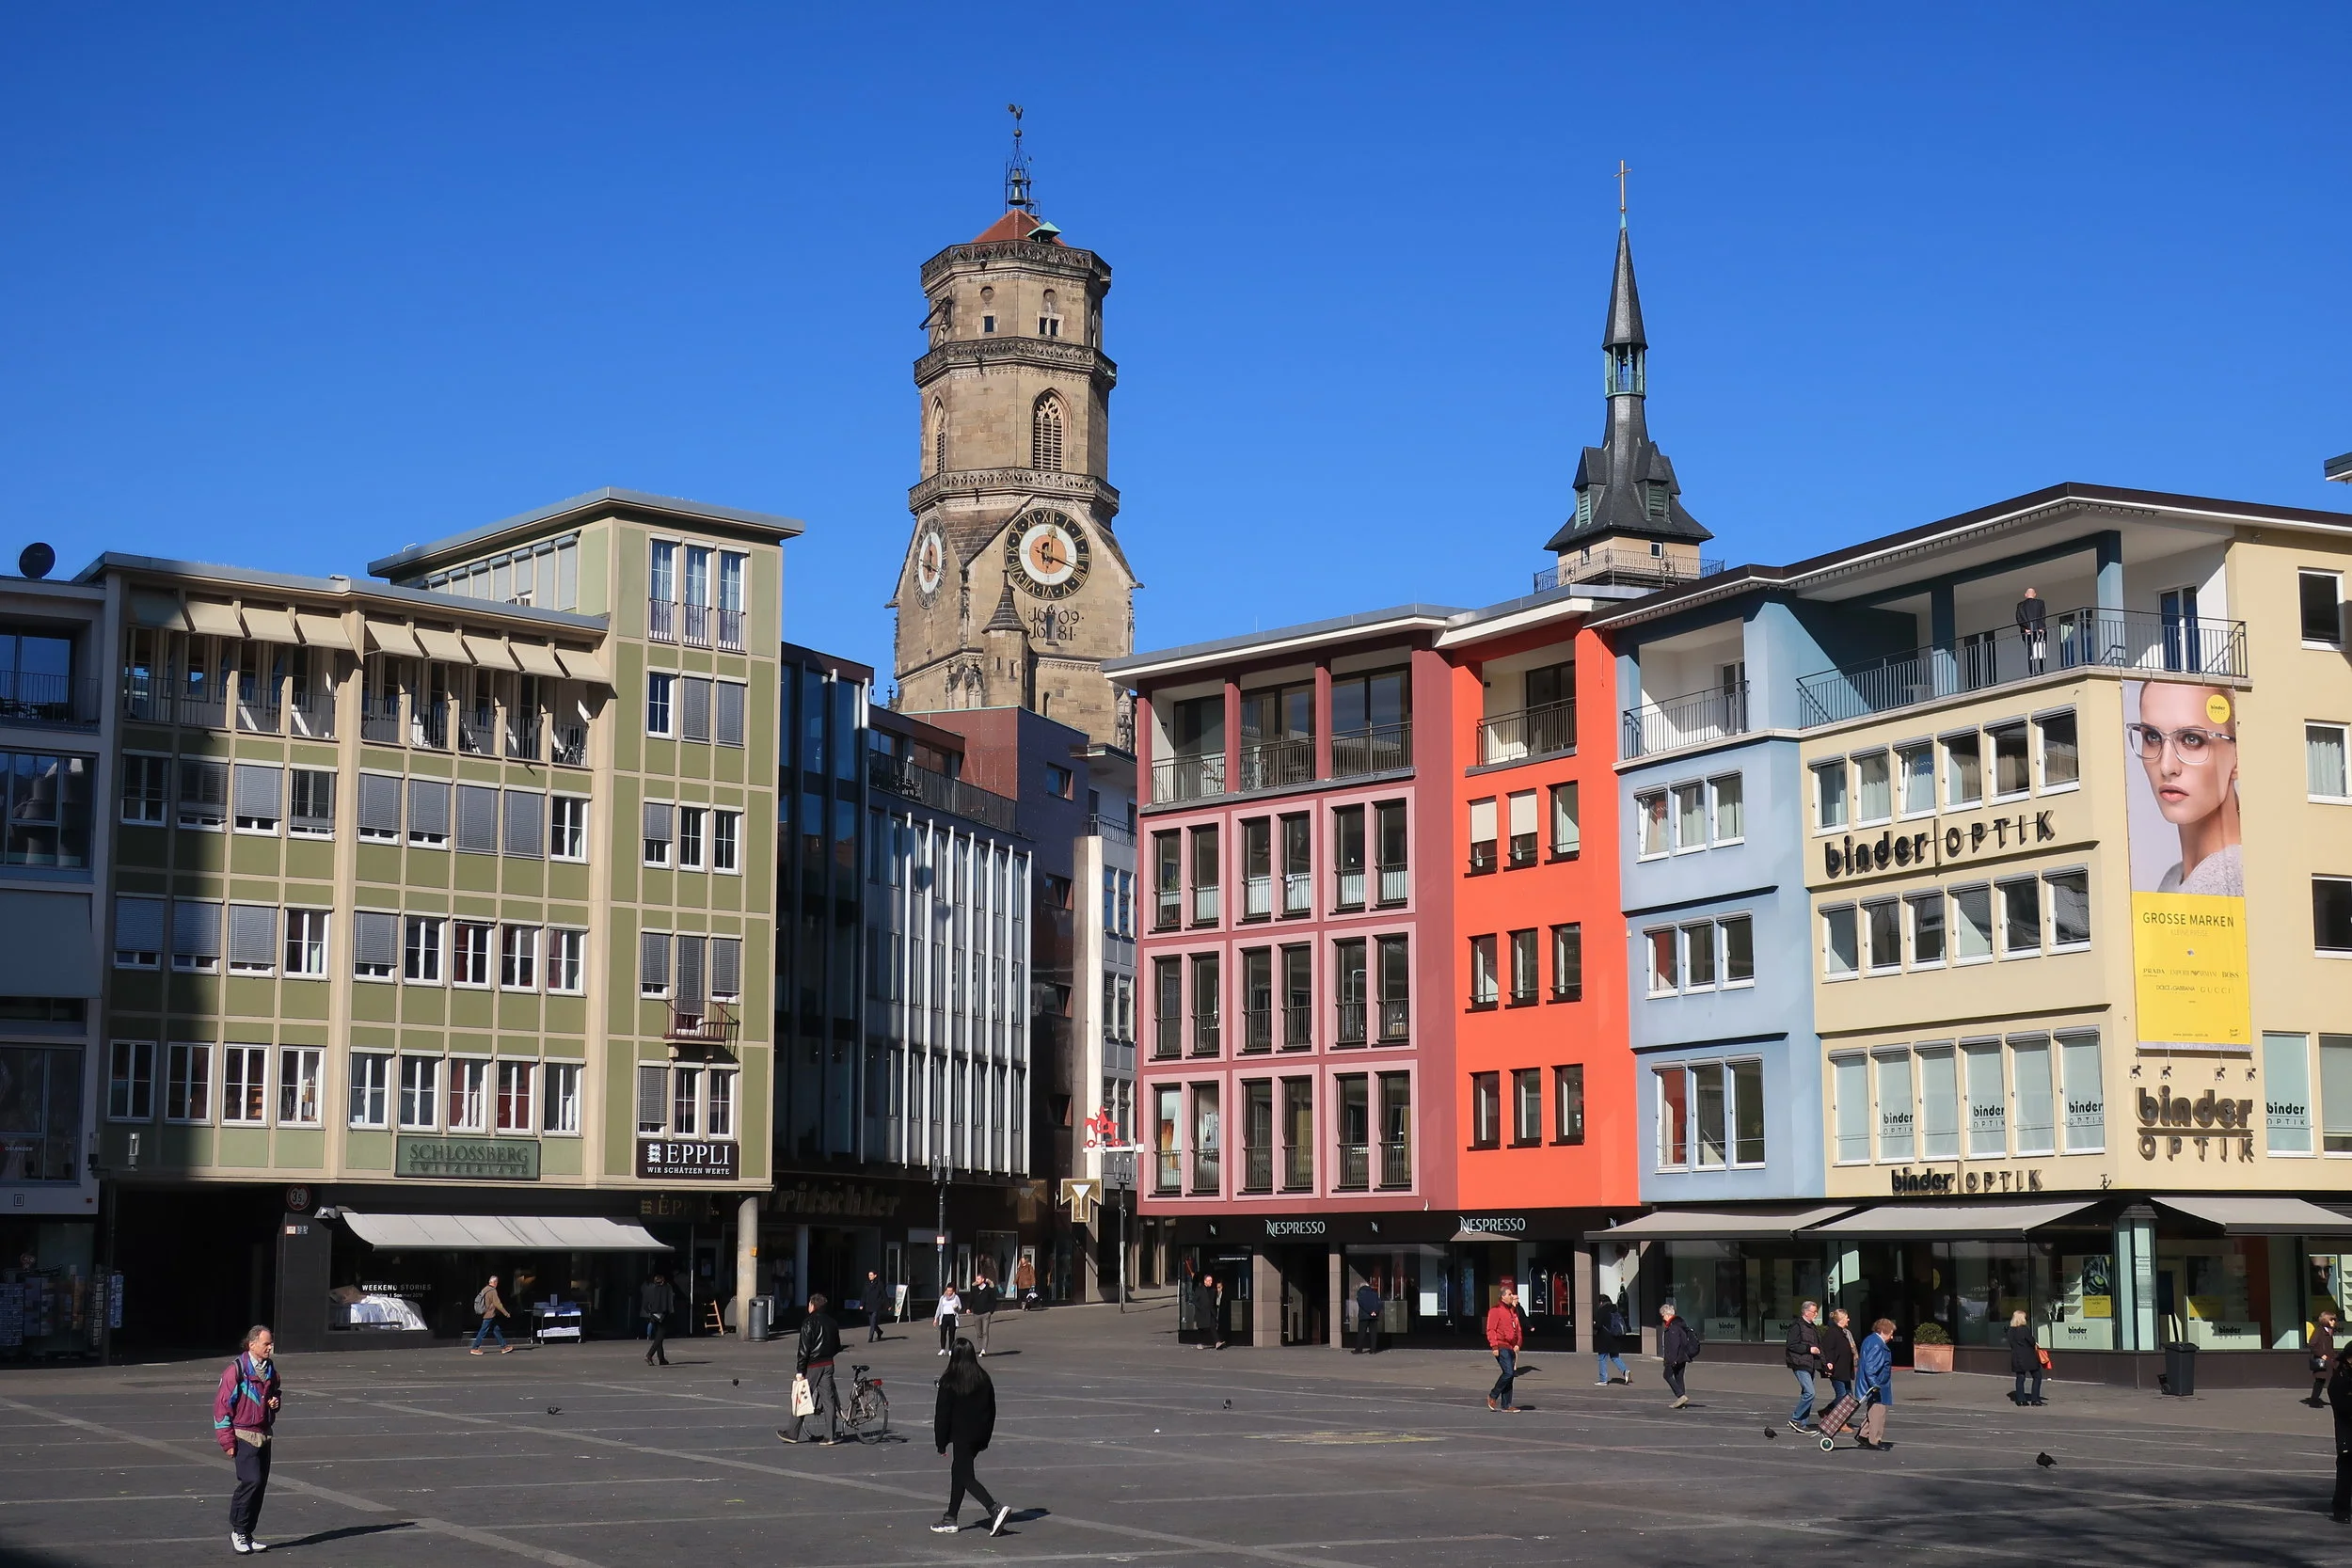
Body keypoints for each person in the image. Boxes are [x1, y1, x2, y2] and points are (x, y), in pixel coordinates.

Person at [2130, 683, 2243, 896]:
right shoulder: (2173, 878)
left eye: (2192, 739)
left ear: (2239, 755)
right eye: (2152, 737)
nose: (2166, 767)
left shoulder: (2236, 878)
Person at [932, 1338, 1012, 1536]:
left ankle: (994, 1508)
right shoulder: (983, 1378)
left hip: (961, 1435)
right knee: (958, 1470)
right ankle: (950, 1517)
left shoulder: (950, 1380)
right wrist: (986, 1438)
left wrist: (941, 1443)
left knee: (964, 1475)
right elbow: (991, 1410)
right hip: (979, 1434)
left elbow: (942, 1414)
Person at [214, 1324, 281, 1555]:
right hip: (243, 1434)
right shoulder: (236, 1370)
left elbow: (275, 1392)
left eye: (271, 1343)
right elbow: (222, 1408)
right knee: (251, 1481)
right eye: (266, 1343)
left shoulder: (270, 1369)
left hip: (264, 1434)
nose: (270, 1347)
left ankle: (248, 1534)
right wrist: (227, 1442)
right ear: (252, 1344)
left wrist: (274, 1403)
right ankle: (238, 1531)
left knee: (260, 1486)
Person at [777, 1292, 844, 1445]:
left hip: (813, 1365)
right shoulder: (832, 1322)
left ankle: (792, 1433)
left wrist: (800, 1370)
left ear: (813, 1305)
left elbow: (803, 1349)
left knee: (801, 1397)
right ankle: (830, 1436)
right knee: (828, 1400)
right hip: (828, 1363)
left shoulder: (809, 1322)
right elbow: (837, 1345)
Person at [1855, 1318, 1897, 1450]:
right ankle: (1875, 1440)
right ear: (1884, 1331)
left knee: (1873, 1410)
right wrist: (1874, 1385)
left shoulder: (1870, 1340)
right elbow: (1871, 1368)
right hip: (1877, 1384)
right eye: (1891, 1333)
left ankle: (1863, 1434)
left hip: (1872, 1383)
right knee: (1878, 1412)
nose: (1892, 1337)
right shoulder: (1878, 1345)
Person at [1484, 1283, 1525, 1413]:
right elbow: (1491, 1329)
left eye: (1512, 1294)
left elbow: (1517, 1329)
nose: (1512, 1296)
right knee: (1508, 1372)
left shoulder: (1512, 1312)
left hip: (1511, 1347)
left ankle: (1506, 1405)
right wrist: (1494, 1346)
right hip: (1501, 1346)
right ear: (1503, 1297)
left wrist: (1518, 1343)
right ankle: (1493, 1395)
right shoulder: (1496, 1310)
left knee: (1510, 1376)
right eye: (1509, 1294)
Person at [1785, 1299, 1824, 1433]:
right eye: (1814, 1311)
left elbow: (1819, 1346)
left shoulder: (1812, 1327)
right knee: (1810, 1393)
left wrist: (1824, 1363)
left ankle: (1802, 1424)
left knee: (1806, 1393)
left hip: (1810, 1363)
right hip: (1800, 1363)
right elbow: (1791, 1345)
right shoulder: (1797, 1326)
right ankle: (1795, 1419)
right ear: (1806, 1312)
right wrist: (1809, 1349)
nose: (1816, 1314)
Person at [2328, 1341, 2352, 1524]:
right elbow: (2342, 1407)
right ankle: (2341, 1509)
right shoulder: (2340, 1378)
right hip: (2347, 1432)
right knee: (2346, 1471)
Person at [1659, 1302, 1698, 1410]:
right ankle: (1682, 1402)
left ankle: (1680, 1396)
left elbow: (1674, 1345)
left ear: (1667, 1315)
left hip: (1675, 1357)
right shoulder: (1680, 1324)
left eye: (1663, 1315)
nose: (1663, 1318)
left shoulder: (1673, 1327)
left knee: (1667, 1375)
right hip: (1683, 1356)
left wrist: (1671, 1360)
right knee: (1679, 1377)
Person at [2006, 1308, 2046, 1405]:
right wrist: (2034, 1343)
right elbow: (2031, 1341)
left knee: (2020, 1378)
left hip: (2016, 1357)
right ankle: (2035, 1399)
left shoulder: (2010, 1331)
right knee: (2037, 1376)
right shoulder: (2024, 1329)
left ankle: (2020, 1400)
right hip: (2028, 1357)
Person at [1821, 1307, 1858, 1405]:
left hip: (1845, 1371)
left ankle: (1836, 1414)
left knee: (1849, 1397)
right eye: (1846, 1318)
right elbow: (1828, 1350)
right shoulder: (1832, 1332)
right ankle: (1829, 1411)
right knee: (1842, 1396)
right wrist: (1829, 1363)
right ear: (1841, 1320)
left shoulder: (1844, 1332)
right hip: (1837, 1371)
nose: (1848, 1319)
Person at [469, 1275, 513, 1354]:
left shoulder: (485, 1289)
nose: (497, 1284)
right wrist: (506, 1313)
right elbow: (498, 1304)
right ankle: (474, 1348)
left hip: (488, 1314)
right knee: (483, 1331)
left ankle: (504, 1347)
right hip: (489, 1314)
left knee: (496, 1330)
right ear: (495, 1282)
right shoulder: (492, 1291)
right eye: (497, 1282)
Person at [640, 1272, 675, 1367]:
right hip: (663, 1314)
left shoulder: (651, 1289)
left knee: (658, 1337)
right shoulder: (667, 1288)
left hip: (653, 1315)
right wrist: (670, 1312)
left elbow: (645, 1304)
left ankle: (661, 1358)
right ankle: (649, 1355)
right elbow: (669, 1302)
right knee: (660, 1336)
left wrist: (650, 1312)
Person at [1595, 1294, 1630, 1386]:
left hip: (1604, 1338)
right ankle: (1625, 1371)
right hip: (1615, 1337)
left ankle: (1603, 1380)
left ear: (1601, 1302)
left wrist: (1594, 1325)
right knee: (1615, 1357)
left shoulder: (1602, 1310)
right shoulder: (1615, 1309)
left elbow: (1598, 1325)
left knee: (1602, 1358)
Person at [2310, 1309, 2340, 1408]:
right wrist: (2321, 1354)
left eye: (2334, 1320)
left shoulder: (2329, 1331)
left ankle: (2335, 1400)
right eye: (2331, 1320)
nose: (2333, 1322)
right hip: (2323, 1361)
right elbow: (2312, 1345)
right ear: (2325, 1320)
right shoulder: (2319, 1331)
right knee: (2320, 1381)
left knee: (2332, 1380)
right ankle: (2314, 1401)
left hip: (2330, 1360)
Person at [967, 1269, 1000, 1355]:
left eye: (978, 1279)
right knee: (979, 1333)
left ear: (983, 1279)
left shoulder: (988, 1289)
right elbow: (971, 1299)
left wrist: (991, 1311)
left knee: (985, 1332)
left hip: (986, 1313)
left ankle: (984, 1350)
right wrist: (969, 1308)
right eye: (976, 1279)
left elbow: (993, 1300)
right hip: (976, 1313)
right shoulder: (974, 1289)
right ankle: (981, 1348)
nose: (976, 1281)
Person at [2016, 587, 2048, 674]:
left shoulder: (2020, 605)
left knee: (2030, 652)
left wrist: (2025, 628)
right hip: (2039, 630)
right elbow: (2042, 616)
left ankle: (2032, 671)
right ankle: (2041, 670)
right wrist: (2041, 628)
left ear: (2025, 595)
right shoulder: (2040, 603)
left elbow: (2019, 618)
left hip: (2028, 632)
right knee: (2041, 649)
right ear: (2034, 594)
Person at [1195, 1273, 1227, 1350]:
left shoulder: (1213, 1290)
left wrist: (1214, 1312)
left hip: (1210, 1312)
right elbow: (1194, 1300)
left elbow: (1214, 1302)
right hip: (1202, 1313)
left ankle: (1217, 1342)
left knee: (1212, 1327)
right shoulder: (1199, 1290)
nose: (1210, 1282)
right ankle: (1199, 1342)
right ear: (1205, 1281)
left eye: (1211, 1281)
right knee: (1202, 1329)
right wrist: (1200, 1308)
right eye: (1209, 1281)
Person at [1354, 1280, 1383, 1354]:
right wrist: (1375, 1311)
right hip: (1374, 1316)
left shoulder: (1360, 1293)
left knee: (1361, 1333)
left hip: (1364, 1316)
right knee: (1373, 1334)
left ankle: (1358, 1349)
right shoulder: (1374, 1293)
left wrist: (1370, 1311)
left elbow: (1362, 1304)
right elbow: (1379, 1303)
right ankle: (1373, 1350)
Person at [935, 1282, 962, 1356]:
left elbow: (960, 1307)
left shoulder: (956, 1297)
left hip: (952, 1317)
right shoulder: (942, 1298)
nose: (949, 1292)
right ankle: (942, 1349)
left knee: (951, 1334)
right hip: (944, 1317)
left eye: (951, 1291)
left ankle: (951, 1349)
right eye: (948, 1291)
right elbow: (939, 1308)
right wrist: (936, 1318)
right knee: (943, 1333)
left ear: (953, 1291)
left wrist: (956, 1308)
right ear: (946, 1290)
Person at [866, 1269, 889, 1343]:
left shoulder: (879, 1284)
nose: (869, 1277)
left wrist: (888, 1304)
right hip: (869, 1305)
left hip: (876, 1305)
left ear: (875, 1276)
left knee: (873, 1321)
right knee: (872, 1323)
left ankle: (870, 1338)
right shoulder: (867, 1284)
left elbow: (884, 1294)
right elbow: (864, 1294)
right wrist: (861, 1304)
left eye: (871, 1275)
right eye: (869, 1275)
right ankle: (879, 1332)